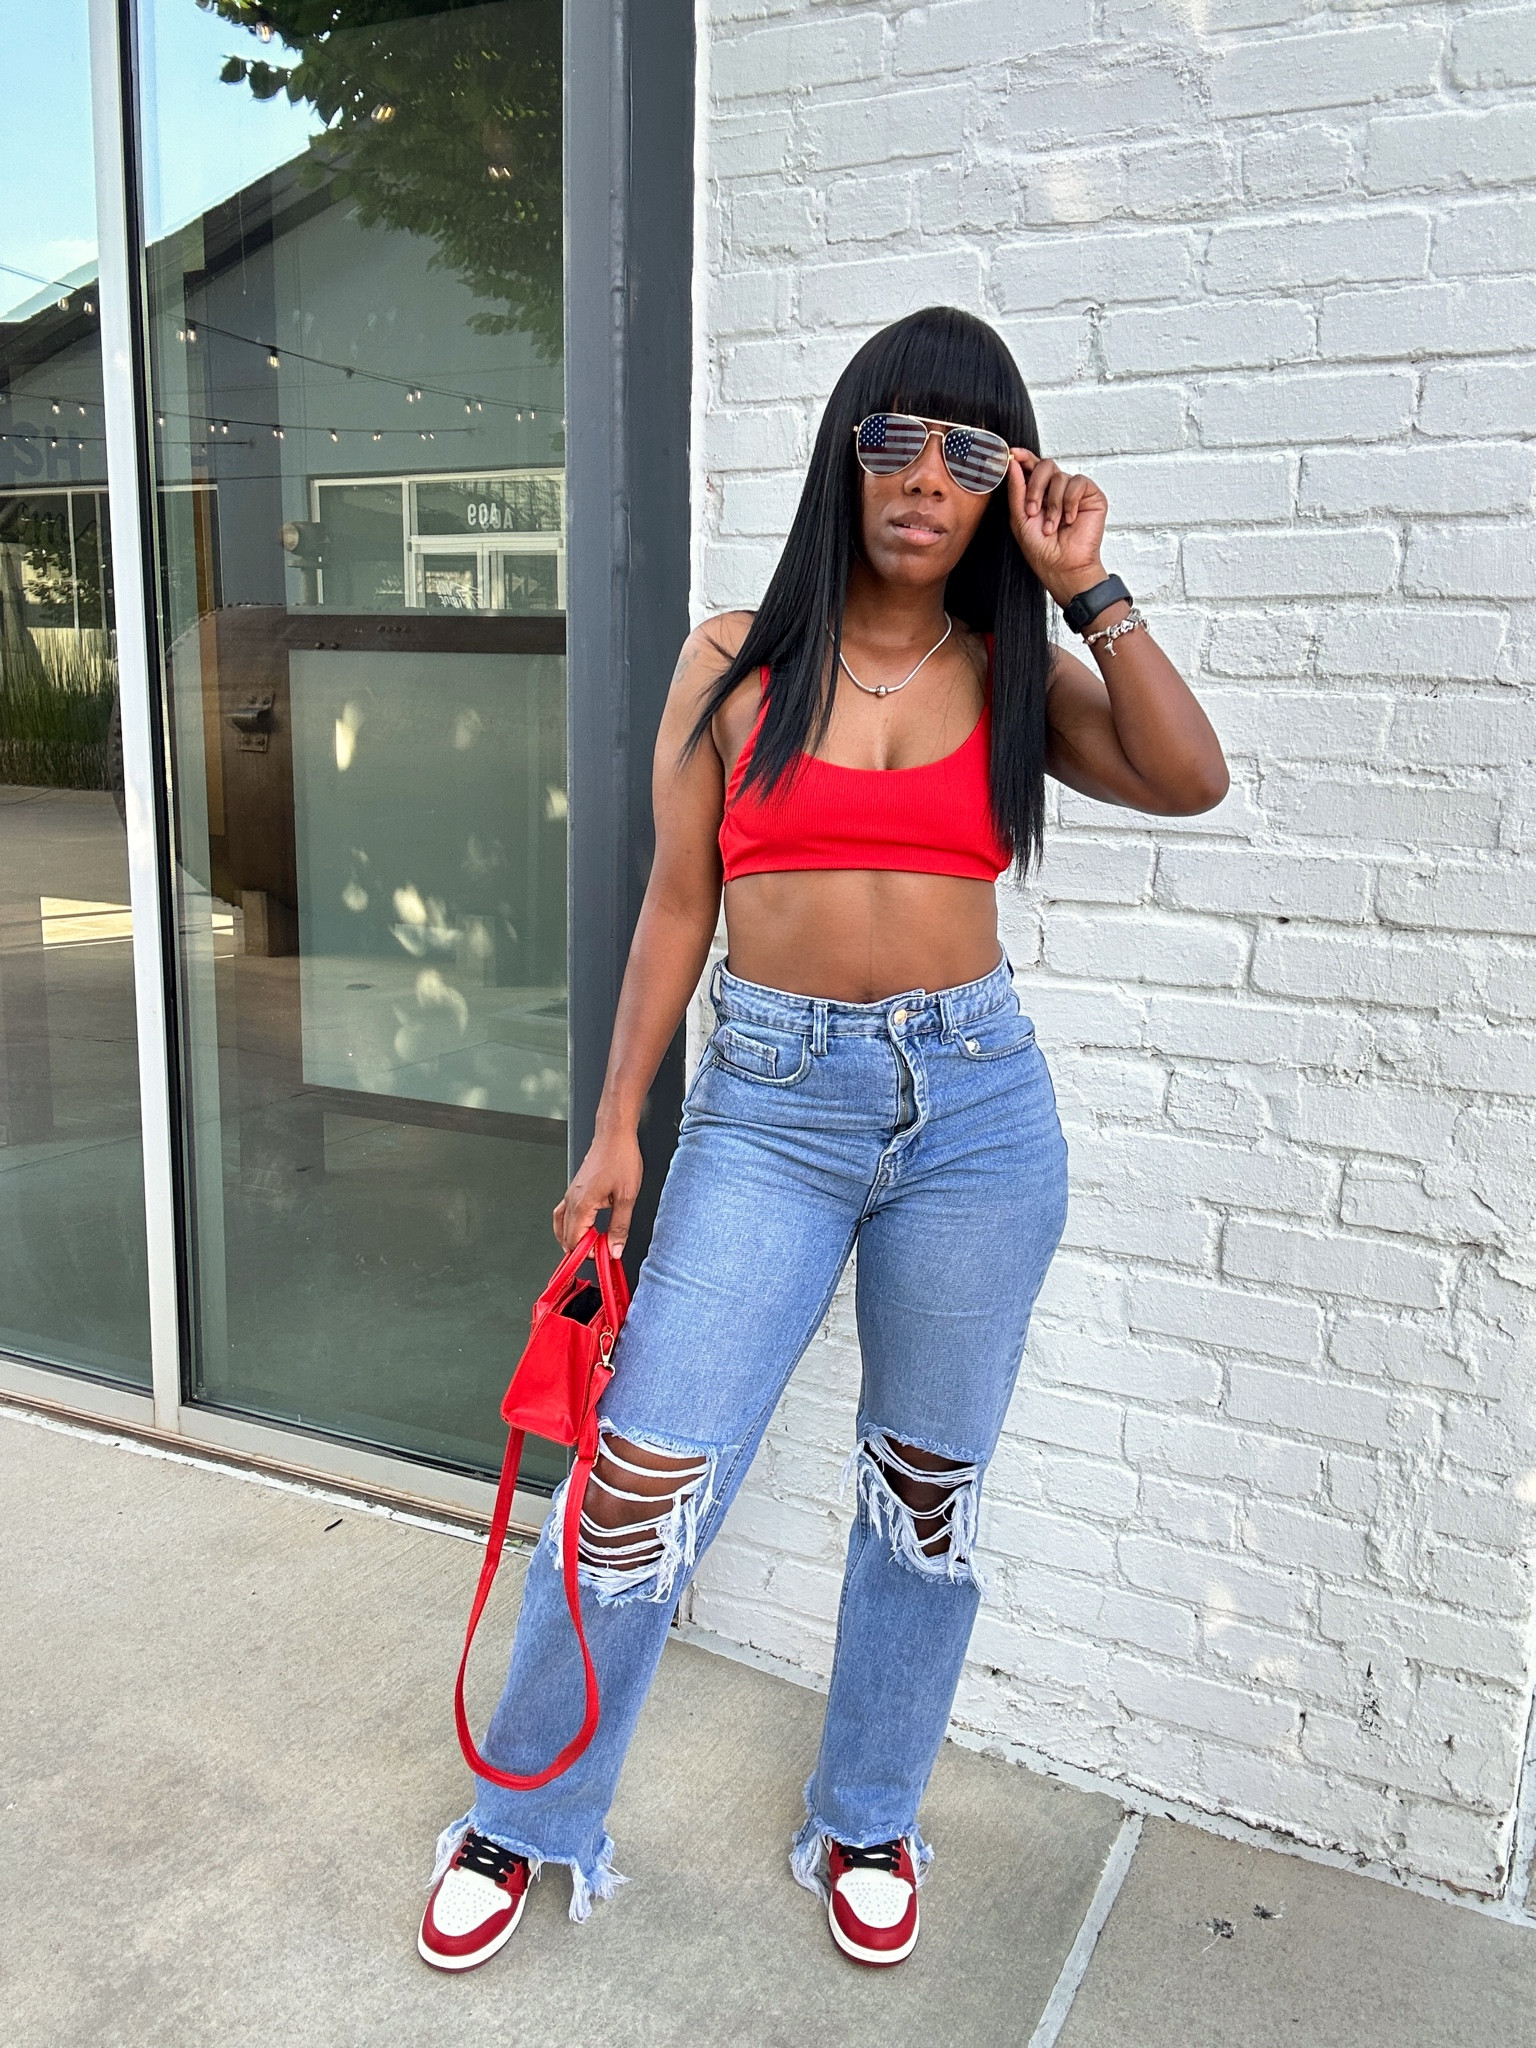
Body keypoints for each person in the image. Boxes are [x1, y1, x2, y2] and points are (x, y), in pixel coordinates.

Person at [418, 304, 1228, 1973]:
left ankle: (868, 1811)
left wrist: (1088, 586)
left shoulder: (1016, 673)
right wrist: (619, 1128)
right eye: (896, 439)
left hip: (976, 1116)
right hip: (769, 1113)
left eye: (970, 451)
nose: (927, 478)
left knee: (926, 1494)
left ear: (1007, 485)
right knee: (638, 1482)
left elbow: (1188, 776)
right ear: (846, 456)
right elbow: (676, 903)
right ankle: (529, 1812)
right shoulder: (735, 660)